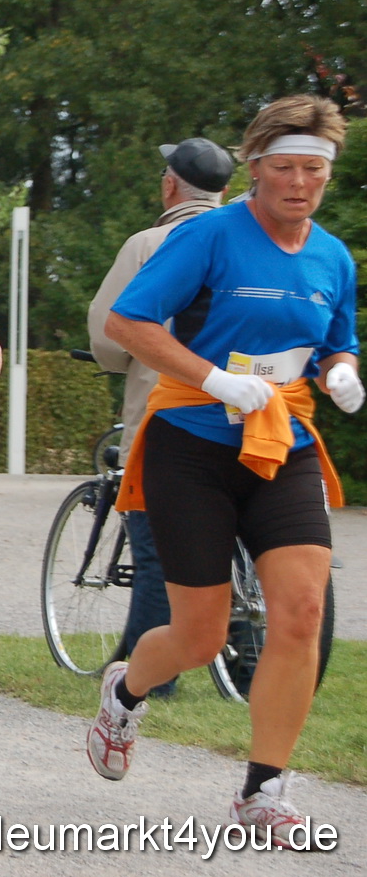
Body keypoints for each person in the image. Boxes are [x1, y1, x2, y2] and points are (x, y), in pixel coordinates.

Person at [91, 94, 358, 845]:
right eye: (284, 168)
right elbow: (127, 321)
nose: (299, 183)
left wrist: (341, 370)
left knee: (301, 613)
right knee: (201, 635)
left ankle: (263, 789)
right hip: (192, 444)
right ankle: (126, 690)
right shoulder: (210, 235)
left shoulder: (332, 256)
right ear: (255, 168)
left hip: (283, 444)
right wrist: (214, 379)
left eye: (313, 170)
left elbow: (337, 339)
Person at [86, 137, 235, 696]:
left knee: (154, 554)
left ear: (170, 185)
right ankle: (245, 669)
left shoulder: (149, 244)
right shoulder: (248, 242)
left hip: (166, 420)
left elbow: (109, 336)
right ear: (226, 191)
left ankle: (150, 682)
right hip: (248, 418)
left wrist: (118, 359)